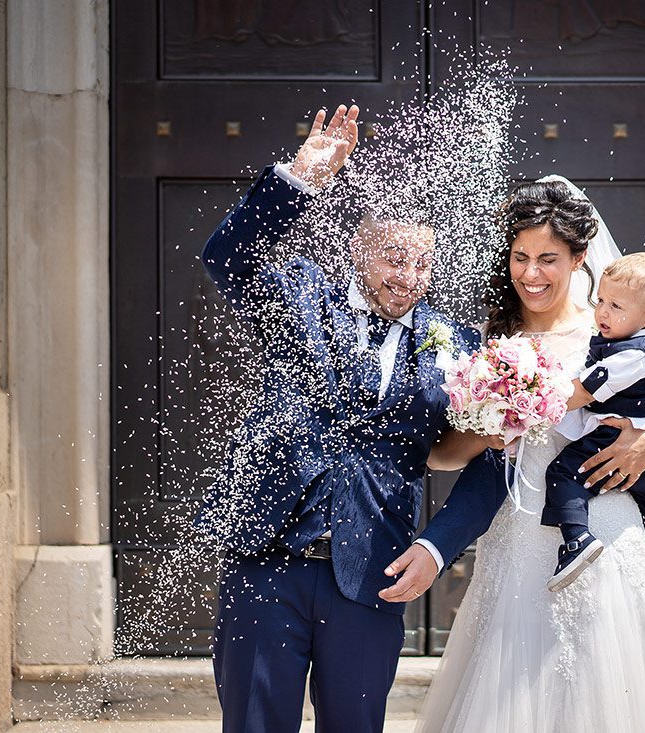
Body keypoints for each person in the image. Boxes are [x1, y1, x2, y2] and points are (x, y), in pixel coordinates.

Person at [197, 104, 504, 733]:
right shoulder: (301, 296)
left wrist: (438, 545)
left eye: (422, 263)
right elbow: (225, 257)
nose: (409, 278)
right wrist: (300, 177)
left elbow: (500, 457)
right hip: (266, 560)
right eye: (394, 258)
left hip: (373, 576)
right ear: (358, 247)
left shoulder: (459, 345)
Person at [412, 177, 645, 732]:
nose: (531, 274)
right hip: (517, 534)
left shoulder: (613, 337)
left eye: (548, 259)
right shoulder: (487, 341)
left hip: (603, 524)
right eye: (520, 258)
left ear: (578, 258)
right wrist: (493, 424)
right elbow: (445, 457)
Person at [542, 252, 645, 625]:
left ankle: (576, 539)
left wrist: (535, 401)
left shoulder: (629, 357)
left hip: (613, 440)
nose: (602, 313)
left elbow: (586, 390)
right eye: (601, 301)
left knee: (563, 474)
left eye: (616, 306)